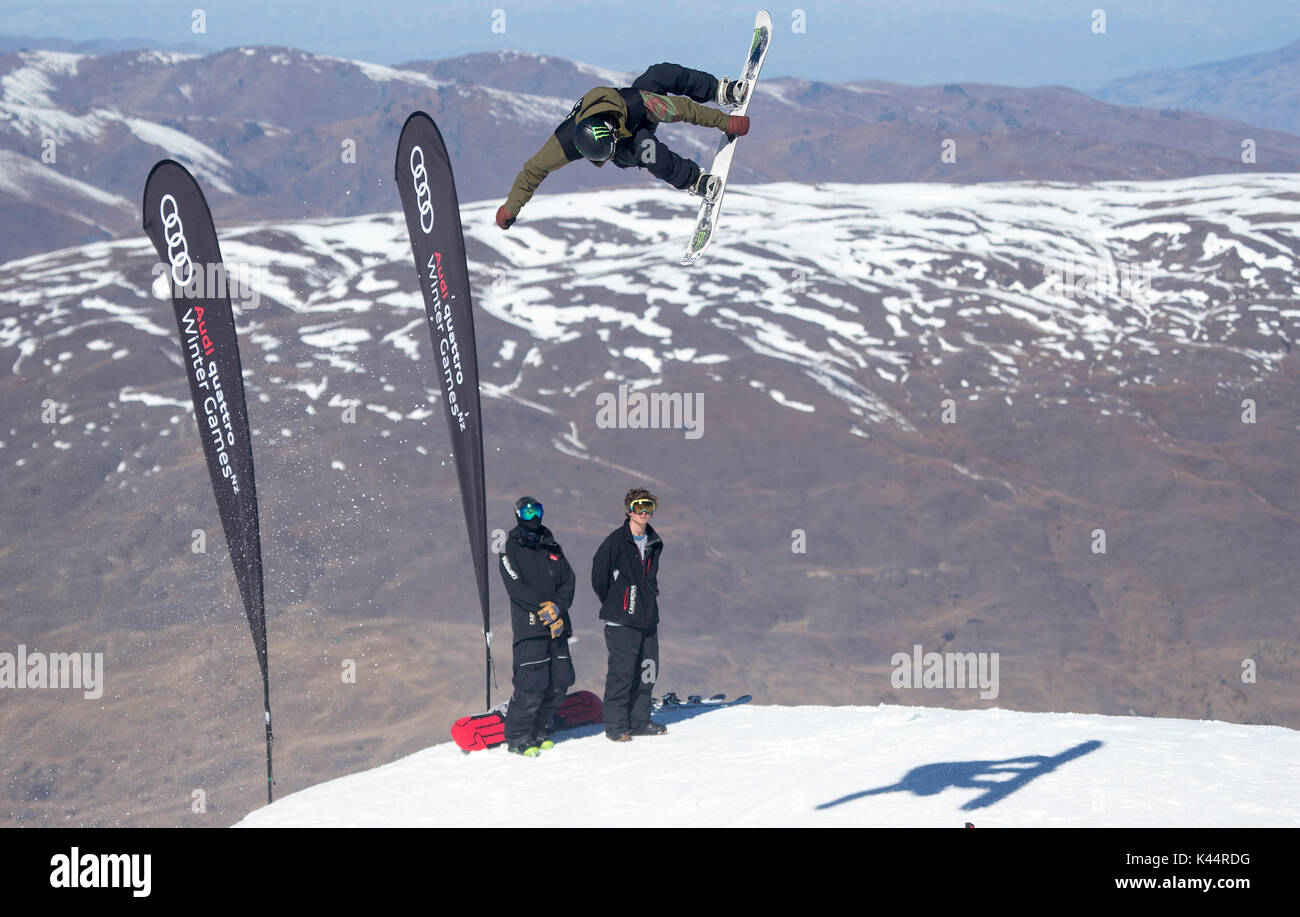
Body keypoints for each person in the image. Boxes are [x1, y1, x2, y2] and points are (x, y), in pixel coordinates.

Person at [495, 63, 752, 229]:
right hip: (629, 146)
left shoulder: (638, 102)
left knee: (661, 74)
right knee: (648, 150)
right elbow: (534, 170)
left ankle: (721, 90)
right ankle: (695, 181)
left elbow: (682, 110)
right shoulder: (567, 142)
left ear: (609, 129)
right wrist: (510, 208)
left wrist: (725, 122)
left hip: (635, 117)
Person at [498, 496, 577, 756]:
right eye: (527, 511)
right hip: (530, 627)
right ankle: (519, 737)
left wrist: (558, 608)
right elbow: (514, 587)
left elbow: (569, 580)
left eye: (537, 511)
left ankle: (540, 729)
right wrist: (543, 610)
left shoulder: (551, 546)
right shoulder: (510, 548)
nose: (533, 516)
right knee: (532, 684)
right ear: (517, 514)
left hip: (557, 625)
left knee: (559, 681)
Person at [591, 487, 667, 742]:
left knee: (648, 670)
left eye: (649, 507)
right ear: (628, 511)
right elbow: (598, 577)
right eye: (638, 507)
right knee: (622, 673)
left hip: (648, 618)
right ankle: (615, 726)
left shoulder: (654, 541)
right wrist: (618, 603)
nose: (644, 512)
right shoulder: (615, 542)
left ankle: (639, 721)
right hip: (622, 621)